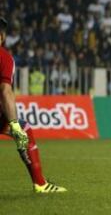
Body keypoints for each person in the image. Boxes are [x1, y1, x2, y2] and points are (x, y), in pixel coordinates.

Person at [0, 17, 67, 192]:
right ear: (2, 37)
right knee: (23, 131)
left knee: (24, 129)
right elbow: (5, 91)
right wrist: (14, 125)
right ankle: (40, 184)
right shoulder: (4, 58)